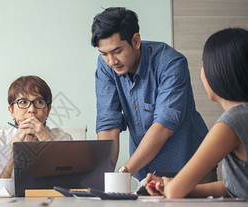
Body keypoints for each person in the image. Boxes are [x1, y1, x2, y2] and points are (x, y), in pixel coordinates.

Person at [91, 7, 215, 181]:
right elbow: (108, 122)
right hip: (144, 174)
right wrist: (101, 176)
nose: (111, 61)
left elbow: (164, 125)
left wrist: (123, 173)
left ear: (136, 41)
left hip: (190, 168)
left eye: (117, 51)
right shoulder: (106, 66)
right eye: (104, 54)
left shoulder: (171, 63)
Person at [145, 28, 248, 199]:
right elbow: (237, 186)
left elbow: (174, 193)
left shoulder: (233, 121)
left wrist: (174, 186)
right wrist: (176, 186)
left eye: (204, 64)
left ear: (219, 70)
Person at [0, 75, 72, 178]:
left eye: (39, 102)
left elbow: (70, 184)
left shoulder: (63, 139)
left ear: (48, 110)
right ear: (11, 111)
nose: (31, 109)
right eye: (23, 102)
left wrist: (47, 141)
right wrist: (13, 147)